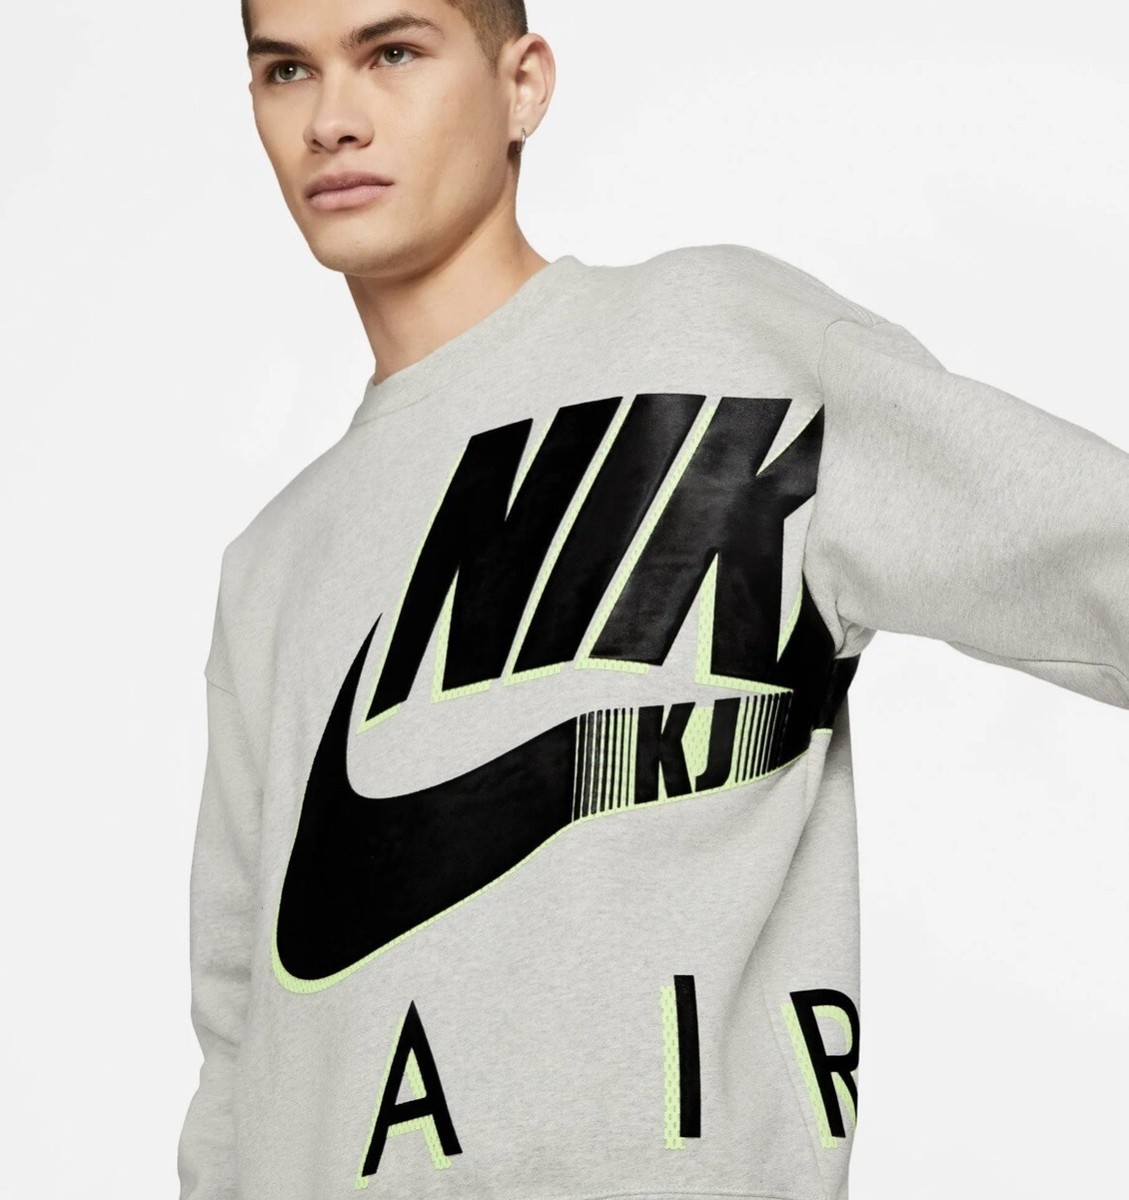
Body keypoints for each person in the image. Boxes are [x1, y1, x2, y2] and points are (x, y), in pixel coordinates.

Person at [176, 1, 1129, 1197]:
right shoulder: (274, 559)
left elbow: (1092, 551)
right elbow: (241, 1037)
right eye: (285, 71)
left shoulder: (721, 348)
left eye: (394, 52)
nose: (331, 120)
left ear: (523, 84)